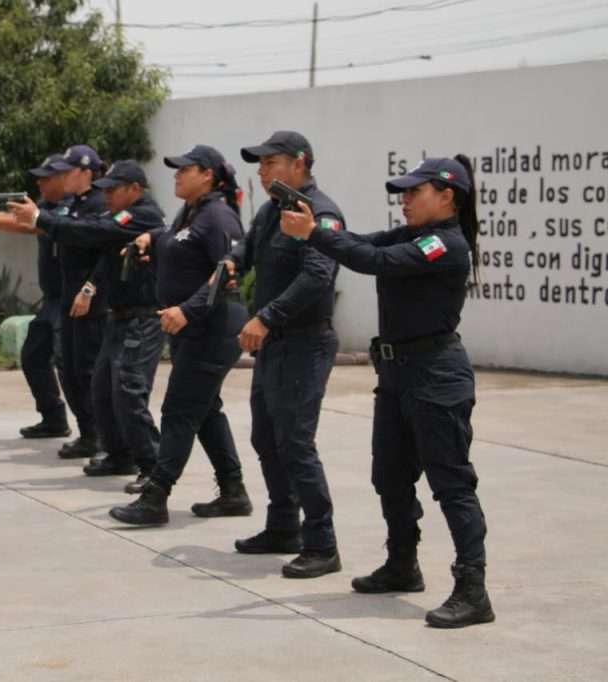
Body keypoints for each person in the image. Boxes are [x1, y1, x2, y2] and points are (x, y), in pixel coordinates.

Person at [279, 155, 494, 628]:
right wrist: (319, 226)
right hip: (397, 375)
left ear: (447, 196)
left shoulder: (445, 244)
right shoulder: (411, 235)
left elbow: (374, 261)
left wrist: (313, 234)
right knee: (390, 476)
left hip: (436, 376)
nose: (405, 200)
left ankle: (473, 589)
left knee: (451, 484)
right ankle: (402, 564)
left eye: (415, 192)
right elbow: (361, 244)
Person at [109, 145, 252, 526]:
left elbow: (226, 275)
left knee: (178, 410)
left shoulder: (219, 216)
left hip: (213, 326)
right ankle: (233, 490)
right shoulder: (190, 213)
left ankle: (156, 497)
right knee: (204, 410)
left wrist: (187, 310)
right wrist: (151, 238)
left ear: (207, 175)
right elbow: (177, 241)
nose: (176, 174)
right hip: (192, 327)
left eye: (184, 169)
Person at [227, 131, 344, 579]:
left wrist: (266, 317)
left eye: (270, 163)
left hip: (305, 342)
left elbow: (317, 276)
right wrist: (233, 262)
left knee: (295, 442)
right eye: (259, 165)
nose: (262, 172)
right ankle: (282, 527)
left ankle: (322, 544)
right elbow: (248, 248)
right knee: (266, 437)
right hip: (275, 344)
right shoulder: (272, 210)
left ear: (299, 163)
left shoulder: (321, 214)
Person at [10, 161, 166, 479]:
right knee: (101, 388)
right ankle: (119, 455)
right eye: (104, 189)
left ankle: (153, 468)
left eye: (113, 189)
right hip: (120, 315)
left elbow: (95, 232)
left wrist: (39, 218)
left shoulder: (141, 214)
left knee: (128, 392)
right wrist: (91, 286)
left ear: (135, 189)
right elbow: (103, 247)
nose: (106, 195)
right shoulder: (120, 214)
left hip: (142, 317)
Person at [0, 154, 72, 439]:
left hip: (73, 299)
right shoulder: (48, 206)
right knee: (33, 355)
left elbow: (30, 225)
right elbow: (23, 221)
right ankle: (54, 418)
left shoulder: (74, 207)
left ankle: (96, 432)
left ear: (65, 178)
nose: (39, 183)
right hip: (53, 299)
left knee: (70, 365)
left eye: (46, 178)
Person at [28, 145, 109, 460]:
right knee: (71, 370)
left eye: (68, 171)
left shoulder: (100, 203)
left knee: (87, 371)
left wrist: (89, 289)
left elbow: (103, 250)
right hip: (66, 297)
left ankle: (101, 435)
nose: (62, 177)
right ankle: (89, 433)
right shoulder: (72, 204)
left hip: (89, 302)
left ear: (86, 172)